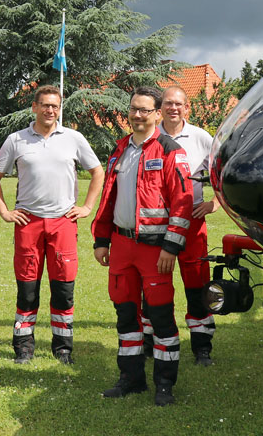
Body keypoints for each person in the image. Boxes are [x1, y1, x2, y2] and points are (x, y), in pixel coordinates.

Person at [0, 85, 104, 365]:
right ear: (34, 108)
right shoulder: (17, 139)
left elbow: (97, 171)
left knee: (63, 287)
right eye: (45, 105)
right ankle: (23, 345)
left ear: (59, 109)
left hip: (63, 222)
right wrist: (3, 210)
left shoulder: (73, 138)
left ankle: (62, 346)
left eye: (55, 106)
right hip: (28, 222)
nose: (50, 110)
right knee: (27, 287)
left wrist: (87, 207)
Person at [92, 86, 193, 407]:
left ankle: (164, 385)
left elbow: (183, 203)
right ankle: (131, 379)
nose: (137, 115)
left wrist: (171, 247)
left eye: (144, 110)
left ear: (157, 113)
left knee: (161, 319)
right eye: (133, 109)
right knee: (126, 317)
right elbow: (109, 198)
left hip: (156, 251)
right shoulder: (120, 149)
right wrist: (101, 240)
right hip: (122, 247)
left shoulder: (170, 151)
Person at [154, 85, 220, 366]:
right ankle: (152, 342)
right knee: (156, 285)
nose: (173, 108)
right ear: (160, 108)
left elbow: (221, 173)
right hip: (156, 224)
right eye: (168, 103)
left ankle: (202, 346)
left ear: (187, 108)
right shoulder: (151, 138)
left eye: (178, 104)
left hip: (192, 223)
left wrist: (213, 203)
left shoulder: (201, 137)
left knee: (197, 285)